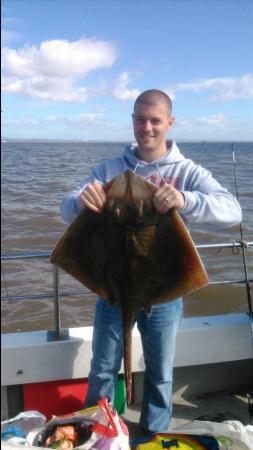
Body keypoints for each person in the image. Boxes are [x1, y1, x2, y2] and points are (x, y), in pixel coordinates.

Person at [60, 89, 242, 433]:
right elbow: (65, 208)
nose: (147, 127)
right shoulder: (109, 168)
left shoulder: (187, 171)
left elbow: (232, 210)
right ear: (132, 121)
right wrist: (82, 199)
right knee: (102, 368)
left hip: (163, 292)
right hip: (111, 286)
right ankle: (97, 433)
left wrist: (185, 200)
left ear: (169, 123)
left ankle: (152, 435)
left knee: (160, 370)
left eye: (155, 120)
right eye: (141, 119)